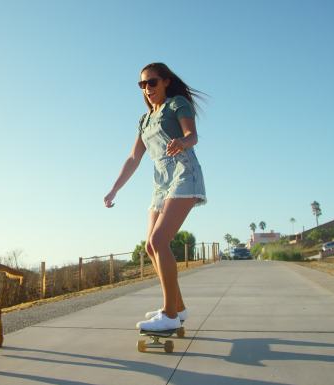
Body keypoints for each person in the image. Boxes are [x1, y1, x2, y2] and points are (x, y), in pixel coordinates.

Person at [104, 63, 206, 331]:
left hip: (184, 173)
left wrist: (183, 142)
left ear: (166, 82)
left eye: (152, 82)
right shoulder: (144, 119)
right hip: (161, 182)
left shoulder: (177, 104)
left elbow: (192, 134)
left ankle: (169, 314)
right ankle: (179, 309)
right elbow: (133, 157)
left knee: (161, 240)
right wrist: (115, 188)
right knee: (151, 246)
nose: (147, 89)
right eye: (142, 84)